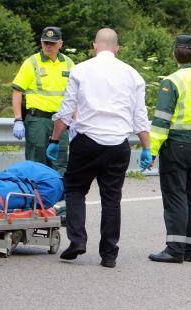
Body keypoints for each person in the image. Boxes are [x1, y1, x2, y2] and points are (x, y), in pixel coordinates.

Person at [50, 28, 150, 268]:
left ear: (95, 46)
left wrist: (54, 140)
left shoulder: (80, 70)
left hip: (86, 141)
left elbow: (65, 111)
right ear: (117, 48)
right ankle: (109, 254)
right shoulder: (133, 75)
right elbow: (140, 117)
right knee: (111, 199)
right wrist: (147, 147)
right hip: (118, 145)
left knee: (74, 189)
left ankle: (77, 240)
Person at [147, 35, 191, 264]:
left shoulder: (172, 81)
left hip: (177, 144)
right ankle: (190, 249)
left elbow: (161, 121)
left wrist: (152, 150)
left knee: (176, 195)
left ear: (174, 54)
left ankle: (175, 249)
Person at [11, 27, 73, 174]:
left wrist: (75, 120)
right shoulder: (31, 63)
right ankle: (36, 196)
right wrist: (18, 119)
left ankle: (58, 195)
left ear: (60, 44)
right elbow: (17, 91)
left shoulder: (69, 64)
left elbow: (74, 95)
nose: (48, 46)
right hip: (37, 121)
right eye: (45, 43)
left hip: (61, 121)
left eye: (52, 43)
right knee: (36, 161)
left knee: (60, 162)